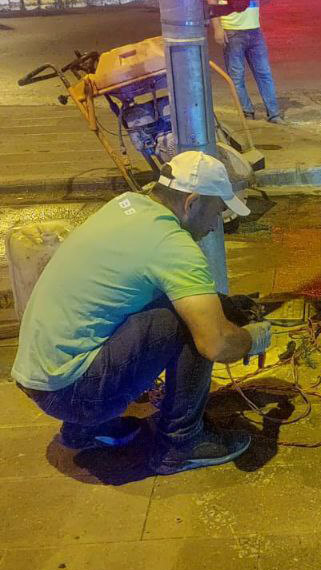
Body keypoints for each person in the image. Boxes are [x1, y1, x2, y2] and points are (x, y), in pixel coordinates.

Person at [11, 150, 272, 475]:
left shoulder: (126, 206)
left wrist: (229, 307)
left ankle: (83, 430)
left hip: (40, 377)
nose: (216, 223)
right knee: (190, 322)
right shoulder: (173, 246)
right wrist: (251, 339)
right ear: (191, 203)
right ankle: (182, 444)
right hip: (74, 393)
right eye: (217, 211)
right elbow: (215, 343)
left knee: (164, 301)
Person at [205, 0, 282, 123]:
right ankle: (247, 112)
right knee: (237, 76)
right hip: (232, 29)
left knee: (264, 73)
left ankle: (274, 114)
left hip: (254, 28)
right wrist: (217, 27)